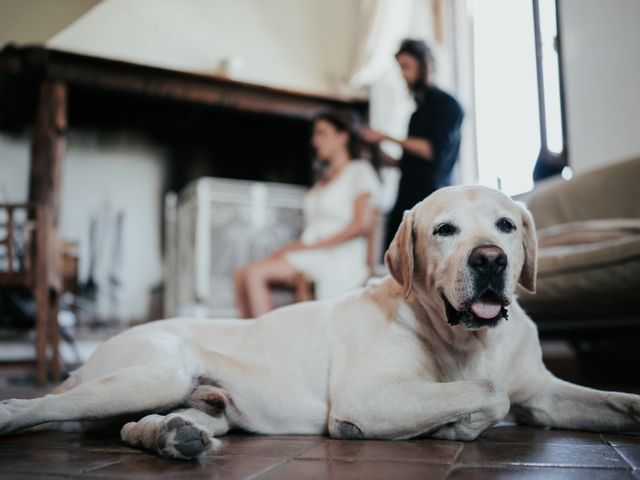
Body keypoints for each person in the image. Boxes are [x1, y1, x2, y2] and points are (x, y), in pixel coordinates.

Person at [233, 111, 382, 318]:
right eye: (315, 135)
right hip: (312, 252)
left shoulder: (359, 172)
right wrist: (294, 248)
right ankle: (250, 343)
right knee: (240, 275)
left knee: (253, 274)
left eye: (322, 133)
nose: (315, 141)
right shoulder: (322, 181)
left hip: (339, 255)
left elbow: (362, 225)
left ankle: (266, 344)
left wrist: (306, 247)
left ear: (343, 136)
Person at [362, 39, 464, 251]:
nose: (403, 75)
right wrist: (381, 153)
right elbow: (412, 161)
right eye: (400, 67)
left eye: (406, 66)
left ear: (423, 66)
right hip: (407, 194)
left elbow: (431, 151)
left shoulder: (446, 104)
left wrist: (383, 136)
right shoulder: (417, 112)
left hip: (430, 198)